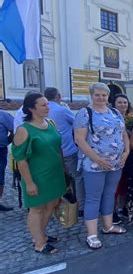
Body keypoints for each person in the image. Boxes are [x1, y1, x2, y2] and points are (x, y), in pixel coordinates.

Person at [74, 83, 129, 250]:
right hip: (94, 164)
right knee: (93, 197)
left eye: (104, 95)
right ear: (92, 95)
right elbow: (80, 140)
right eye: (97, 95)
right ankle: (92, 235)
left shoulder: (115, 113)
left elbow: (123, 134)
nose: (101, 98)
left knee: (109, 194)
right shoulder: (85, 113)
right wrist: (97, 159)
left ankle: (108, 226)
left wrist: (126, 152)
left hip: (116, 163)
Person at [12, 93, 66, 254]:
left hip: (54, 173)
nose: (47, 107)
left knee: (51, 204)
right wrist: (29, 183)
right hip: (37, 176)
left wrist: (64, 169)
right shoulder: (24, 130)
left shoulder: (51, 123)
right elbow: (20, 159)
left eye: (47, 104)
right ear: (31, 108)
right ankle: (39, 243)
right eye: (43, 105)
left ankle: (41, 234)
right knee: (37, 208)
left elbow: (58, 148)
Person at [44, 87, 85, 216]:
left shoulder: (41, 110)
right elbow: (77, 123)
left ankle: (50, 206)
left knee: (54, 178)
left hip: (49, 152)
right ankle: (81, 206)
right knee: (77, 176)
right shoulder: (62, 110)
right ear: (58, 96)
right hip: (67, 150)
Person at [111, 93, 132, 224]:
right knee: (114, 186)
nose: (123, 105)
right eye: (119, 102)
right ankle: (112, 211)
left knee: (125, 184)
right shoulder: (110, 117)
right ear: (113, 104)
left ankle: (123, 207)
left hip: (128, 155)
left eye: (125, 102)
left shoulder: (129, 118)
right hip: (115, 156)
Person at [0, 109, 14, 211]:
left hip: (0, 150)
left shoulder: (4, 115)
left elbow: (16, 129)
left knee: (0, 176)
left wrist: (6, 142)